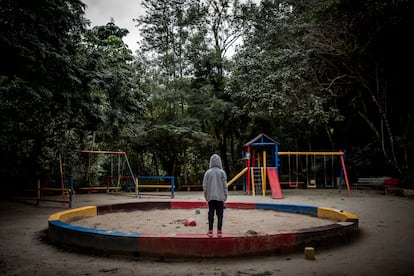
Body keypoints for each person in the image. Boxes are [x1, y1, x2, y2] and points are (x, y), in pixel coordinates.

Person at [203, 153, 228, 237]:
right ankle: (219, 231)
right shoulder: (222, 172)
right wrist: (225, 196)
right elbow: (225, 185)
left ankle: (210, 231)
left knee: (211, 213)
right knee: (220, 214)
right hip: (220, 197)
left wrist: (206, 196)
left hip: (210, 197)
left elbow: (205, 186)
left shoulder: (207, 173)